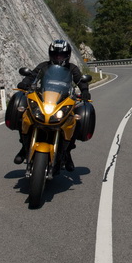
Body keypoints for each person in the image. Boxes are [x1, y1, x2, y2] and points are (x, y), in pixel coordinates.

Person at [14, 39, 91, 171]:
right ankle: (24, 147)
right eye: (55, 55)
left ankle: (67, 152)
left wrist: (84, 91)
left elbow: (80, 81)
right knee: (25, 116)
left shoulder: (72, 68)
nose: (58, 57)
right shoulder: (44, 66)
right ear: (51, 54)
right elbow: (33, 76)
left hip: (63, 101)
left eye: (61, 55)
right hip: (44, 99)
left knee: (75, 121)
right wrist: (25, 83)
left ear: (67, 55)